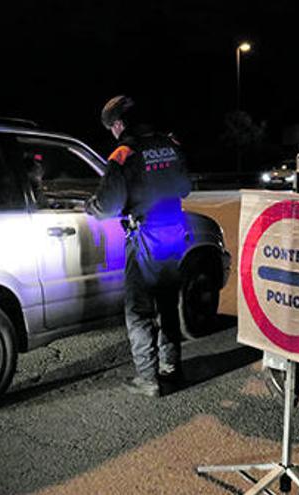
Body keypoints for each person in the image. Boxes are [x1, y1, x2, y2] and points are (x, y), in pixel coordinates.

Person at [85, 95, 192, 397]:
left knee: (139, 310)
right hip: (174, 235)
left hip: (145, 238)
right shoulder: (171, 145)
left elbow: (107, 206)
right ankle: (172, 367)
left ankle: (148, 377)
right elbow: (185, 187)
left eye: (112, 129)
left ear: (118, 124)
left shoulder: (124, 154)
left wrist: (90, 206)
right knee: (169, 305)